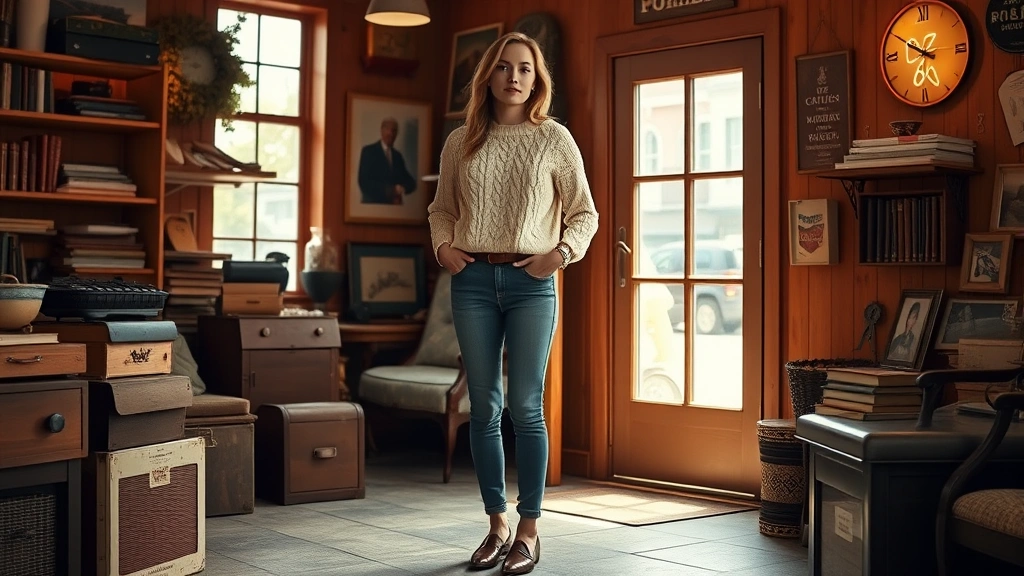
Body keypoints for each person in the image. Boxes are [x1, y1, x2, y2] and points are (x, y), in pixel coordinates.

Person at [427, 31, 599, 575]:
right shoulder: (461, 142)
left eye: (525, 68)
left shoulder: (555, 138)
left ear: (537, 78)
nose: (515, 77)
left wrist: (561, 255)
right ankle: (496, 523)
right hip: (473, 281)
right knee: (485, 405)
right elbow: (440, 209)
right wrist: (444, 248)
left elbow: (584, 213)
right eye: (504, 67)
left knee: (526, 407)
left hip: (531, 282)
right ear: (489, 76)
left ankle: (529, 529)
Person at [357, 117, 417, 204]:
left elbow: (410, 182)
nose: (390, 133)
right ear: (381, 130)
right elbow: (364, 182)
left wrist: (402, 188)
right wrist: (392, 190)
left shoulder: (397, 156)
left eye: (394, 130)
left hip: (393, 210)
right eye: (387, 129)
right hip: (372, 207)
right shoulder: (368, 151)